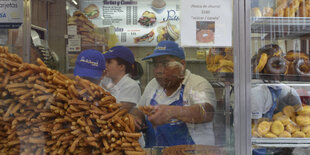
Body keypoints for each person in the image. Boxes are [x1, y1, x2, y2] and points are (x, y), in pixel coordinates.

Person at [138, 40, 217, 147]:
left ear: (182, 65)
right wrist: (134, 119)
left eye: (165, 64)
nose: (159, 71)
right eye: (156, 65)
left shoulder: (197, 84)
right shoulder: (152, 85)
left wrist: (172, 112)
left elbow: (206, 112)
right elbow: (140, 111)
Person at [100, 46, 142, 111]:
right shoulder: (106, 80)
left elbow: (117, 111)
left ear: (121, 66)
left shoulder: (131, 86)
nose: (105, 65)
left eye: (109, 62)